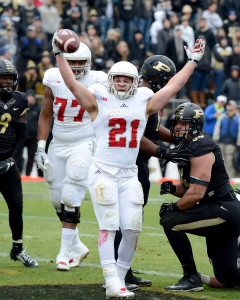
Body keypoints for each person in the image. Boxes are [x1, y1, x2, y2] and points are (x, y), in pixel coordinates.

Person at [52, 33, 205, 298]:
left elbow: (172, 88)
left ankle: (121, 277)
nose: (122, 84)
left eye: (127, 79)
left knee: (132, 228)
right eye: (118, 79)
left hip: (129, 174)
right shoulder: (96, 100)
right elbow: (71, 83)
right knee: (109, 225)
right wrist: (58, 54)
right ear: (110, 80)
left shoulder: (143, 102)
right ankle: (111, 279)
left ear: (135, 82)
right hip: (102, 171)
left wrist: (192, 61)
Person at [115, 55, 192, 289]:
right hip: (129, 163)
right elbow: (137, 138)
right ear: (159, 79)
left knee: (132, 219)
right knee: (125, 221)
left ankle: (123, 270)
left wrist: (181, 139)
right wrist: (165, 153)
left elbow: (154, 129)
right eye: (167, 79)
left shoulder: (147, 96)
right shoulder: (138, 97)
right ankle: (118, 272)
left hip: (137, 164)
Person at [35, 43, 108, 271]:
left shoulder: (99, 79)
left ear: (89, 62)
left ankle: (64, 253)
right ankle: (76, 245)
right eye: (72, 61)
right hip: (58, 142)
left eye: (80, 62)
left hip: (84, 141)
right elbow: (46, 114)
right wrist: (40, 147)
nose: (76, 66)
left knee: (71, 191)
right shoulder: (54, 77)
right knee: (56, 197)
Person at [159, 102, 240, 291]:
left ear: (195, 124)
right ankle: (198, 278)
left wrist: (174, 207)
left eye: (183, 123)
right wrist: (173, 189)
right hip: (218, 209)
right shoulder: (188, 144)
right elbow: (189, 187)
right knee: (228, 277)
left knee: (170, 220)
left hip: (223, 210)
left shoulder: (201, 146)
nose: (177, 126)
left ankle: (191, 278)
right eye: (176, 122)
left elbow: (196, 194)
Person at [0, 59, 38, 267]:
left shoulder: (20, 100)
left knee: (16, 206)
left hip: (7, 163)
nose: (7, 82)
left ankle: (18, 248)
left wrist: (13, 159)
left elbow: (21, 135)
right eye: (3, 78)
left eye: (10, 78)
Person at [17, 89, 41, 176]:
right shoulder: (22, 106)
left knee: (31, 157)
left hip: (33, 137)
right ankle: (18, 173)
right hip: (22, 135)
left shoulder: (39, 108)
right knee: (18, 156)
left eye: (31, 97)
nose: (29, 99)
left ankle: (28, 174)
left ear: (34, 98)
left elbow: (42, 122)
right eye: (28, 97)